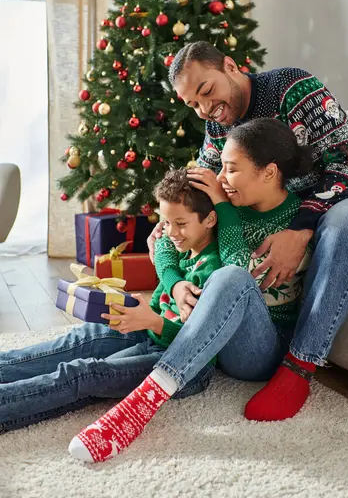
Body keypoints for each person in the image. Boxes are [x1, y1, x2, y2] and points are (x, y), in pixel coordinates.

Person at [149, 40, 348, 423]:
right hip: (307, 210)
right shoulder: (218, 124)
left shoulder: (293, 89)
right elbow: (203, 181)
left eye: (206, 91)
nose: (204, 109)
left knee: (343, 221)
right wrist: (168, 224)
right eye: (193, 105)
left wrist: (299, 230)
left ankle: (300, 366)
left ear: (231, 67)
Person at [69, 118, 314, 463]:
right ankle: (152, 389)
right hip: (211, 338)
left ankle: (148, 398)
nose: (220, 178)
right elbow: (166, 238)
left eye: (231, 169)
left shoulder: (300, 218)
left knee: (232, 278)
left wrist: (224, 207)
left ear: (269, 173)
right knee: (88, 346)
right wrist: (175, 282)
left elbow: (241, 273)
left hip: (258, 349)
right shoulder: (229, 204)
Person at [0, 169, 221, 438]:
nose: (170, 233)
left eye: (181, 224)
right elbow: (162, 269)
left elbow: (200, 344)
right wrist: (140, 314)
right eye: (165, 223)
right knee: (77, 341)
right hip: (151, 330)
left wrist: (152, 320)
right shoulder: (176, 248)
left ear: (210, 219)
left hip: (182, 362)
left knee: (84, 374)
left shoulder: (214, 273)